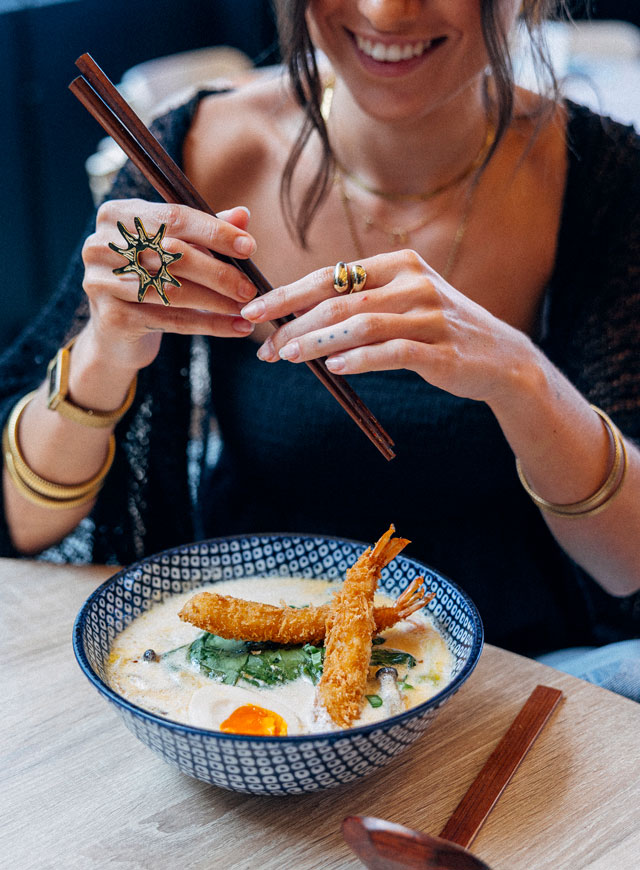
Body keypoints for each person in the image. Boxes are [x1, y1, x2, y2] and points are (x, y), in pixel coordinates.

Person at [1, 1, 639, 692]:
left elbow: (629, 564)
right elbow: (21, 523)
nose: (384, 11)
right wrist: (105, 351)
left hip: (519, 670)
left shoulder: (602, 178)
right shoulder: (202, 147)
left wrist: (522, 377)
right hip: (242, 670)